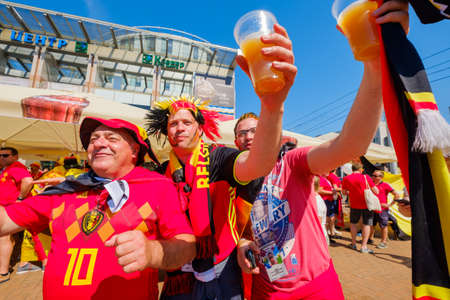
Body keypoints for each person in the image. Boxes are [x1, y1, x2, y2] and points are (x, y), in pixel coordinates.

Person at [234, 1, 409, 298]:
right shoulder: (236, 178)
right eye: (242, 134)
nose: (250, 137)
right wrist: (242, 243)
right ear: (236, 143)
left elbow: (350, 145)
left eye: (256, 129)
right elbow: (240, 231)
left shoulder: (293, 162)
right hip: (266, 290)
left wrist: (375, 66)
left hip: (315, 288)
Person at [145, 22, 296, 300]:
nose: (179, 127)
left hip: (223, 266)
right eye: (173, 123)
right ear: (167, 131)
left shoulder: (219, 158)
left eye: (186, 122)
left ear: (199, 129)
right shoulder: (160, 173)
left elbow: (259, 164)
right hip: (178, 274)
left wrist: (272, 107)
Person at [0, 117, 196, 299]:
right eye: (94, 139)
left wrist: (153, 252)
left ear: (135, 151)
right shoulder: (66, 189)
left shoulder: (158, 187)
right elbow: (5, 221)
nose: (99, 143)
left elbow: (187, 246)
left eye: (111, 138)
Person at [0, 147, 33, 284]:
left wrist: (20, 198)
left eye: (5, 155)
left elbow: (28, 180)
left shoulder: (16, 167)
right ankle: (6, 266)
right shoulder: (7, 169)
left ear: (15, 156)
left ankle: (3, 272)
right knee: (6, 237)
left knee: (4, 236)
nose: (1, 157)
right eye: (0, 155)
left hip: (12, 208)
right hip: (6, 208)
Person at [342, 163, 379, 253]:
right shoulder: (366, 177)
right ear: (360, 169)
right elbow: (376, 191)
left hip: (354, 204)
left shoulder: (346, 178)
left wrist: (352, 191)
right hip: (367, 204)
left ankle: (353, 244)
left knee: (353, 223)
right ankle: (363, 246)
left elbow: (344, 192)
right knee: (366, 224)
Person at [369, 170, 400, 248]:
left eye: (376, 176)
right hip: (372, 208)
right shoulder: (370, 184)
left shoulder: (385, 185)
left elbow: (396, 194)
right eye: (373, 175)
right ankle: (370, 238)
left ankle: (383, 242)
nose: (374, 177)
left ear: (381, 177)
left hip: (382, 209)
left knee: (383, 226)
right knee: (371, 225)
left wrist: (390, 205)